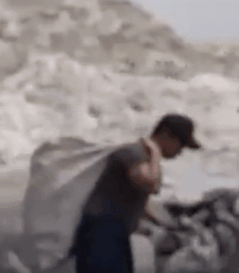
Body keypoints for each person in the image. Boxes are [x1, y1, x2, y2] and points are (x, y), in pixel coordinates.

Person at [72, 113, 202, 273]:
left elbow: (142, 202)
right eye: (180, 146)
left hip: (117, 234)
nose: (180, 152)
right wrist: (155, 153)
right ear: (166, 135)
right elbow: (148, 183)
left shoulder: (146, 158)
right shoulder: (135, 152)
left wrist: (168, 225)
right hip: (101, 232)